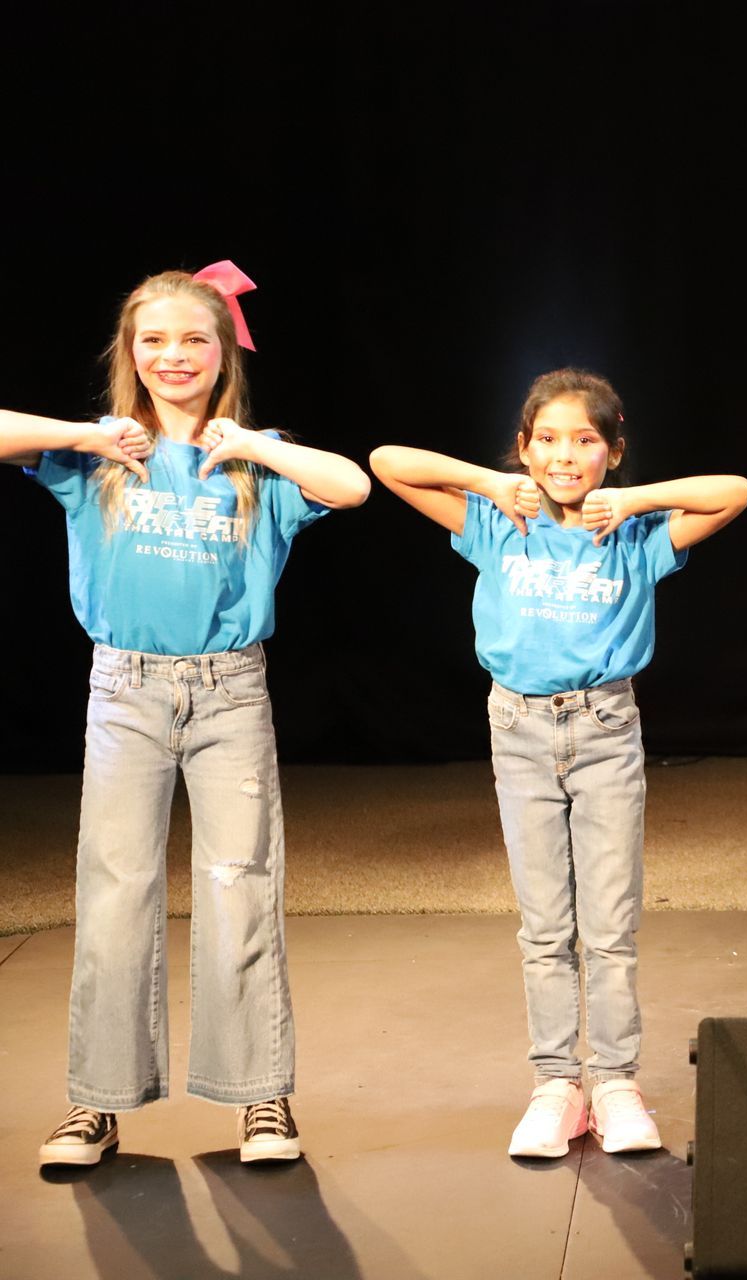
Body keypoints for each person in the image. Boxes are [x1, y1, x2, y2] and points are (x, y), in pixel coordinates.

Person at [6, 262, 370, 1167]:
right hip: (125, 691)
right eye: (154, 339)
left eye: (194, 339)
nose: (174, 355)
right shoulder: (97, 453)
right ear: (130, 351)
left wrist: (255, 447)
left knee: (238, 884)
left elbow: (354, 485)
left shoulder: (254, 458)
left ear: (223, 354)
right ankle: (97, 1103)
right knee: (116, 889)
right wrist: (86, 432)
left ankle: (261, 1102)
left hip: (229, 692)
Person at [370, 368, 747, 1158]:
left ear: (613, 450)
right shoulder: (496, 524)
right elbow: (386, 461)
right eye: (546, 439)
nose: (564, 455)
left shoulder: (639, 538)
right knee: (545, 927)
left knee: (609, 925)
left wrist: (637, 502)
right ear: (524, 447)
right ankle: (556, 1085)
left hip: (606, 727)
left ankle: (614, 1083)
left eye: (585, 440)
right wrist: (491, 483)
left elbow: (734, 491)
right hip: (519, 729)